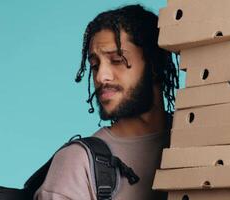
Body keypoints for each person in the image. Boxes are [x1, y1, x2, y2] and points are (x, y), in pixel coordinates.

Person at [34, 4, 179, 200]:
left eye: (117, 60)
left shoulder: (196, 138)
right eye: (95, 65)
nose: (101, 77)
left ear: (154, 65)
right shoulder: (77, 163)